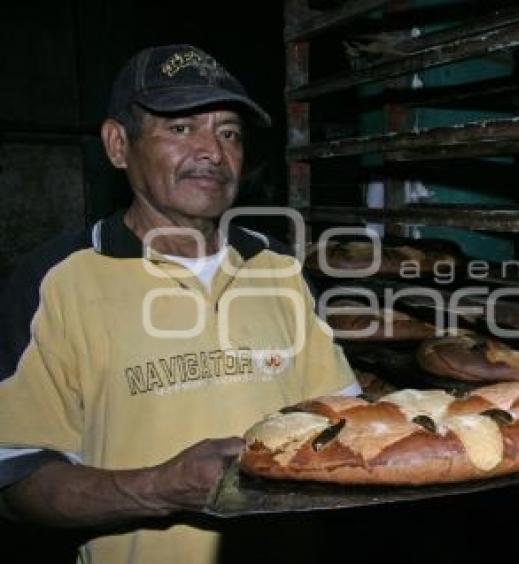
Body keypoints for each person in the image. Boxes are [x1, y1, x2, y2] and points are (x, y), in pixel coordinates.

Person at [0, 44, 360, 563]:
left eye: (229, 132)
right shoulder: (57, 282)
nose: (213, 151)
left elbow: (339, 418)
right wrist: (162, 487)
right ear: (118, 144)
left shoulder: (276, 267)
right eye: (181, 128)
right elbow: (18, 480)